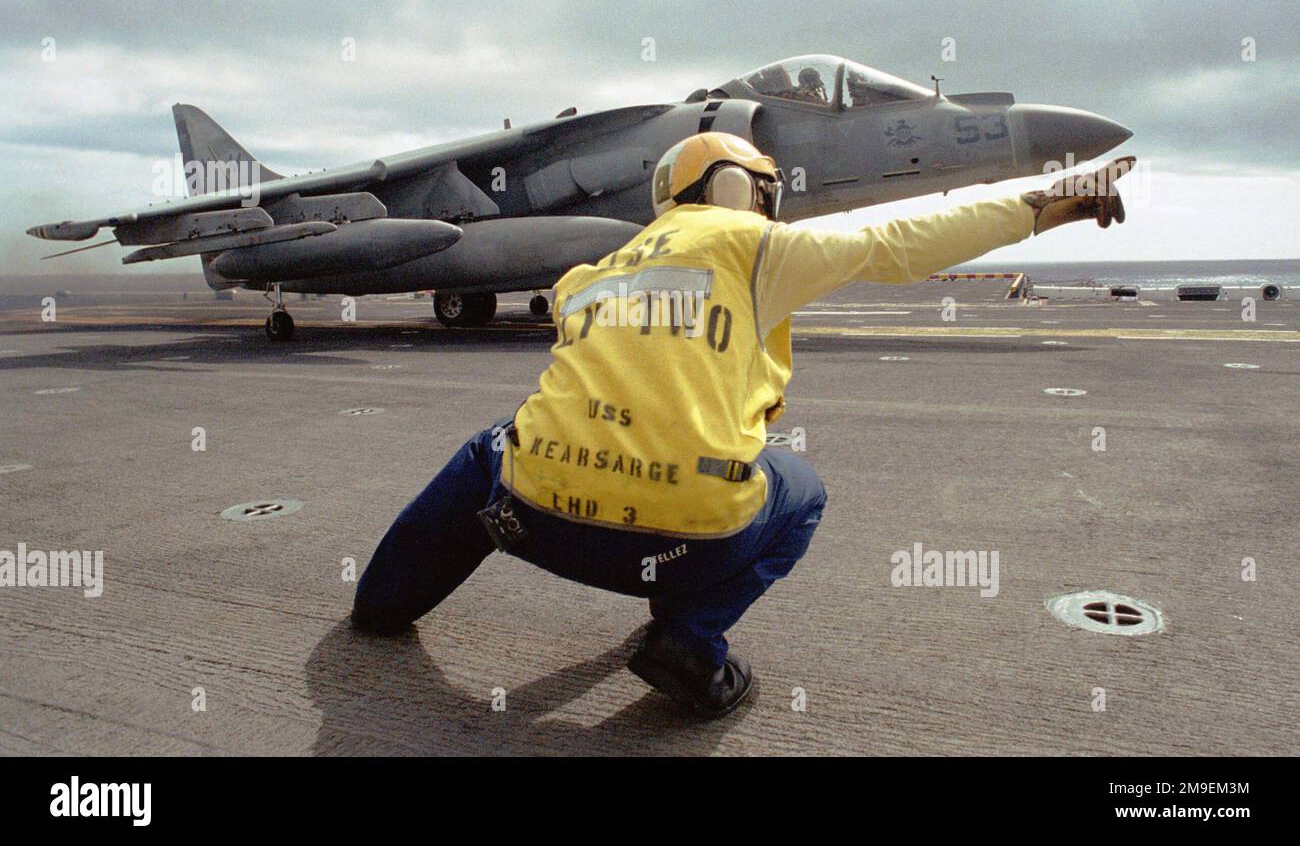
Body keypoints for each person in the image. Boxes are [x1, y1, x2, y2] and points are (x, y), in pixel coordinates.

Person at [353, 132, 1134, 717]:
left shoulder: (593, 274)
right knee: (803, 486)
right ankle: (688, 644)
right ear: (739, 190)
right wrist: (1052, 200)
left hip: (531, 522)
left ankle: (381, 603)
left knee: (493, 446)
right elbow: (900, 244)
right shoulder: (755, 246)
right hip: (682, 542)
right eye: (764, 190)